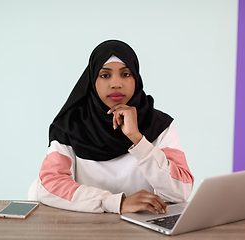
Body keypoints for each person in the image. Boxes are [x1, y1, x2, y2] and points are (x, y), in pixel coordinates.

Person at [28, 40, 194, 214]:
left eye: (126, 74)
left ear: (136, 78)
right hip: (87, 228)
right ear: (92, 80)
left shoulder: (158, 125)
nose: (116, 84)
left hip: (146, 229)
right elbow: (50, 185)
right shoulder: (70, 126)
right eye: (105, 75)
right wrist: (115, 203)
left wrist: (138, 139)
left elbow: (181, 192)